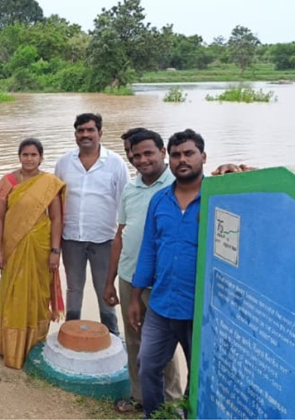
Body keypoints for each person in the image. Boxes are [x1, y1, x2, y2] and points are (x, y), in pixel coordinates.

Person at [102, 129, 183, 413]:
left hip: (164, 282)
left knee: (165, 348)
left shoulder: (179, 183)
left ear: (162, 152)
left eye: (148, 153)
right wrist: (110, 281)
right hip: (129, 278)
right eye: (135, 155)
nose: (141, 160)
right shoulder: (130, 189)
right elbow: (120, 236)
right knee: (134, 341)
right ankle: (140, 397)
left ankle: (172, 405)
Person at [130, 129, 205, 419]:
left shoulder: (219, 198)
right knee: (147, 366)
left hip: (199, 310)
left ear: (203, 157)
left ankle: (188, 415)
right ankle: (155, 416)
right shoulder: (159, 200)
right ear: (168, 158)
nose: (182, 160)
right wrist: (136, 297)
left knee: (197, 373)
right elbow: (148, 251)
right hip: (161, 306)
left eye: (189, 153)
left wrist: (240, 173)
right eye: (176, 155)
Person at [0, 138, 65, 369]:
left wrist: (55, 250)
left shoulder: (49, 183)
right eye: (25, 155)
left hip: (41, 248)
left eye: (34, 155)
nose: (29, 159)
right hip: (13, 248)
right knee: (13, 294)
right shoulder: (8, 182)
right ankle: (10, 348)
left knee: (38, 295)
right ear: (19, 156)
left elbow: (56, 218)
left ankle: (34, 345)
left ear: (41, 157)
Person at [54, 113, 129, 335]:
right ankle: (70, 332)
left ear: (100, 133)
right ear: (75, 134)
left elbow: (124, 203)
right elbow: (56, 202)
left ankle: (112, 336)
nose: (85, 135)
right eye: (81, 130)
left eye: (90, 130)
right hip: (71, 239)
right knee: (74, 289)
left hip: (104, 239)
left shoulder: (115, 163)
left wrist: (121, 238)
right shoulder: (64, 163)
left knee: (104, 289)